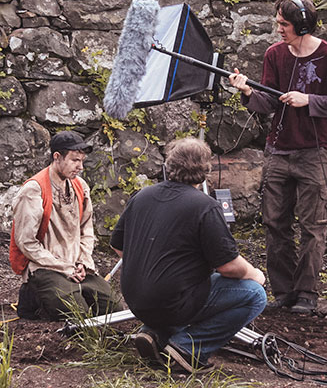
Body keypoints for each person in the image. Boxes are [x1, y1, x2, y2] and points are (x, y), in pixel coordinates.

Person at [229, 0, 327, 314]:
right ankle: (284, 291)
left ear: (301, 24)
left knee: (313, 224)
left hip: (313, 153)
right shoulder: (274, 54)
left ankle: (307, 292)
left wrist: (308, 100)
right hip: (278, 151)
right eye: (278, 23)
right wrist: (246, 92)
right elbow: (268, 102)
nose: (278, 28)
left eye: (283, 24)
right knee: (275, 222)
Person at [109, 138, 266, 373]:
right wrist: (256, 274)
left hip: (135, 300)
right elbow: (229, 266)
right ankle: (187, 349)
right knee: (254, 295)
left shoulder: (141, 196)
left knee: (180, 288)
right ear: (205, 171)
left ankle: (155, 333)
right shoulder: (205, 206)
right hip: (173, 301)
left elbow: (118, 246)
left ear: (168, 166)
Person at [11, 131, 117, 321]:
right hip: (45, 266)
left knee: (113, 308)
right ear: (57, 157)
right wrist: (63, 267)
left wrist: (83, 262)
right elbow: (26, 242)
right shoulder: (33, 190)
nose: (80, 166)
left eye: (82, 161)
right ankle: (33, 299)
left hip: (75, 266)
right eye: (75, 160)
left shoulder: (80, 186)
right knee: (78, 315)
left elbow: (86, 229)